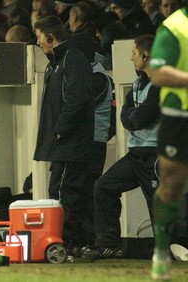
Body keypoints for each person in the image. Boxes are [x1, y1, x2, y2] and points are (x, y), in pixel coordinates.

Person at [82, 34, 161, 260]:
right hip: (136, 154)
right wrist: (133, 117)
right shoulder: (138, 84)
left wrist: (133, 117)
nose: (131, 58)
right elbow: (126, 117)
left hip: (155, 155)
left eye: (134, 54)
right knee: (104, 187)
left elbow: (139, 118)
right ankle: (107, 244)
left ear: (146, 56)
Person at [33, 15, 94, 255]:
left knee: (63, 194)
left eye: (38, 37)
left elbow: (76, 100)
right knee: (62, 191)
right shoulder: (55, 62)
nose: (37, 43)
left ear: (50, 37)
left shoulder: (73, 59)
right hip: (63, 143)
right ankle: (73, 243)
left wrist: (60, 131)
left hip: (70, 143)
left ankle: (63, 244)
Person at [149, 4, 188, 280]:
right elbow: (158, 73)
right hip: (180, 116)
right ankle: (162, 252)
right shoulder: (175, 27)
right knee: (172, 185)